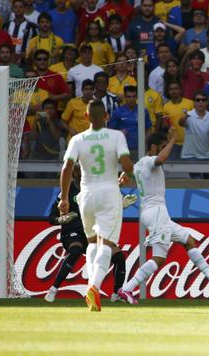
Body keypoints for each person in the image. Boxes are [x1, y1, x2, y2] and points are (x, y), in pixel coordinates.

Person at [117, 129, 209, 304]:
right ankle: (126, 289)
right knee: (159, 259)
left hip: (155, 213)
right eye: (161, 147)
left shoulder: (139, 164)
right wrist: (172, 141)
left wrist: (122, 180)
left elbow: (126, 175)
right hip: (156, 213)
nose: (165, 150)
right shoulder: (148, 162)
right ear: (153, 147)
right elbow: (160, 159)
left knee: (189, 240)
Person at [58, 99, 134, 312]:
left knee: (92, 242)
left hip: (87, 194)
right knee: (106, 244)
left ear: (86, 117)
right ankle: (94, 286)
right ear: (107, 116)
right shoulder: (116, 136)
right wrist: (126, 174)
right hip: (109, 192)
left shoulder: (78, 139)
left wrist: (64, 198)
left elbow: (66, 169)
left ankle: (91, 289)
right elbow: (127, 165)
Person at [44, 164, 130, 303]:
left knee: (119, 257)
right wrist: (62, 219)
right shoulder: (66, 192)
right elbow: (51, 218)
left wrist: (120, 205)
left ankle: (116, 295)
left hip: (91, 234)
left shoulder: (94, 190)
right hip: (72, 233)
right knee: (76, 250)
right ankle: (53, 289)